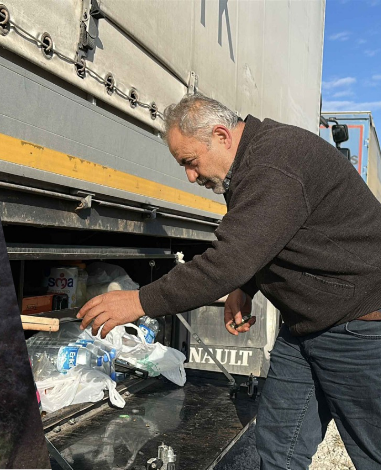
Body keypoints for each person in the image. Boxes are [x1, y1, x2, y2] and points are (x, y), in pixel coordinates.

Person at [77, 93, 381, 469]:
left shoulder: (275, 162)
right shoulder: (252, 164)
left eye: (190, 162)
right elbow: (269, 239)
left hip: (359, 325)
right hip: (306, 325)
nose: (190, 176)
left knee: (372, 453)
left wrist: (139, 301)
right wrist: (246, 287)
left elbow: (228, 260)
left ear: (221, 135)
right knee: (277, 450)